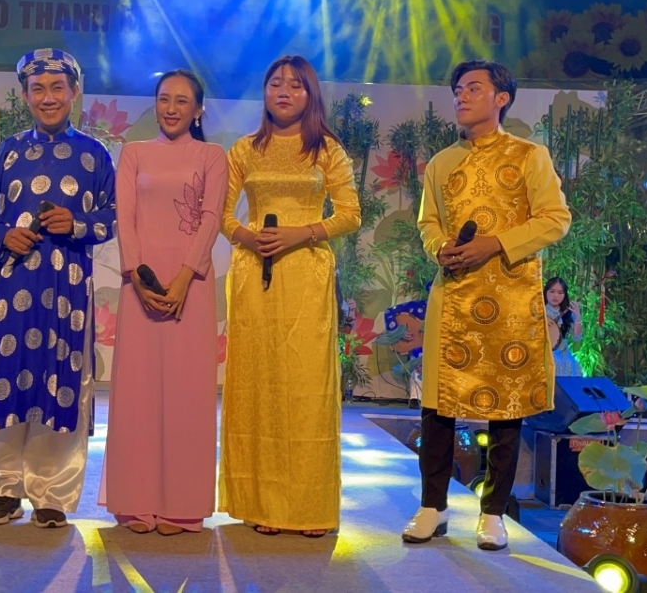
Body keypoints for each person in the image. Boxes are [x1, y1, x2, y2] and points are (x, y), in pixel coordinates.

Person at [402, 60, 571, 551]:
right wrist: (440, 248)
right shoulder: (441, 163)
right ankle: (432, 506)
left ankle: (493, 511)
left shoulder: (529, 156)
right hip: (453, 294)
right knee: (437, 405)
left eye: (473, 88)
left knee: (506, 407)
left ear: (502, 98)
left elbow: (555, 219)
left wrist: (495, 243)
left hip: (510, 297)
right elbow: (428, 223)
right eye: (457, 89)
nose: (461, 96)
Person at [0, 48, 116, 529]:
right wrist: (2, 236)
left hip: (67, 290)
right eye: (38, 89)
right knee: (7, 379)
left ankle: (52, 492)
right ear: (25, 94)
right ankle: (3, 490)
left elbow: (115, 215)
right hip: (10, 286)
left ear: (74, 91)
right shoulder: (7, 152)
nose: (47, 98)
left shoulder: (95, 155)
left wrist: (77, 223)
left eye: (57, 88)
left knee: (60, 382)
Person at [219, 55, 361, 538]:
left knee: (305, 388)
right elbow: (222, 215)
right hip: (254, 274)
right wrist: (248, 236)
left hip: (307, 274)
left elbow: (350, 214)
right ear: (264, 92)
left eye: (296, 85)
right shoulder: (244, 149)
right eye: (275, 83)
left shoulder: (327, 149)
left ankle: (308, 506)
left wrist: (302, 233)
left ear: (310, 94)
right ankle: (261, 504)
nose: (284, 91)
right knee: (259, 385)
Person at [99, 69, 228, 536]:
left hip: (191, 286)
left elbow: (211, 218)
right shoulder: (134, 153)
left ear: (198, 110)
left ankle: (182, 504)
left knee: (187, 393)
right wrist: (138, 276)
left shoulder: (212, 156)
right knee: (138, 392)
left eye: (182, 101)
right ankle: (135, 499)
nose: (171, 108)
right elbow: (126, 217)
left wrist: (183, 279)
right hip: (141, 285)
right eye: (164, 99)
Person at [544, 277, 582, 377]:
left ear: (564, 295)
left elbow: (576, 338)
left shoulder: (568, 312)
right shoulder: (538, 311)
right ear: (545, 292)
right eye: (552, 291)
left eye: (560, 293)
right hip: (544, 353)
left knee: (568, 363)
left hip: (563, 353)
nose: (556, 295)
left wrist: (577, 316)